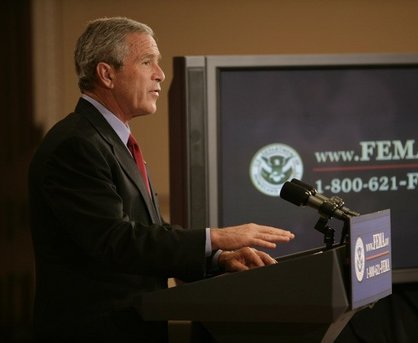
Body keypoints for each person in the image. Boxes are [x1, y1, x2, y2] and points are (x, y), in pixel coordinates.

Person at [28, 17, 294, 343]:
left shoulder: (112, 141)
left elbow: (149, 234)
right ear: (106, 74)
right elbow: (116, 241)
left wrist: (216, 258)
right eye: (146, 62)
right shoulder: (76, 145)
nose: (160, 73)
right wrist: (215, 238)